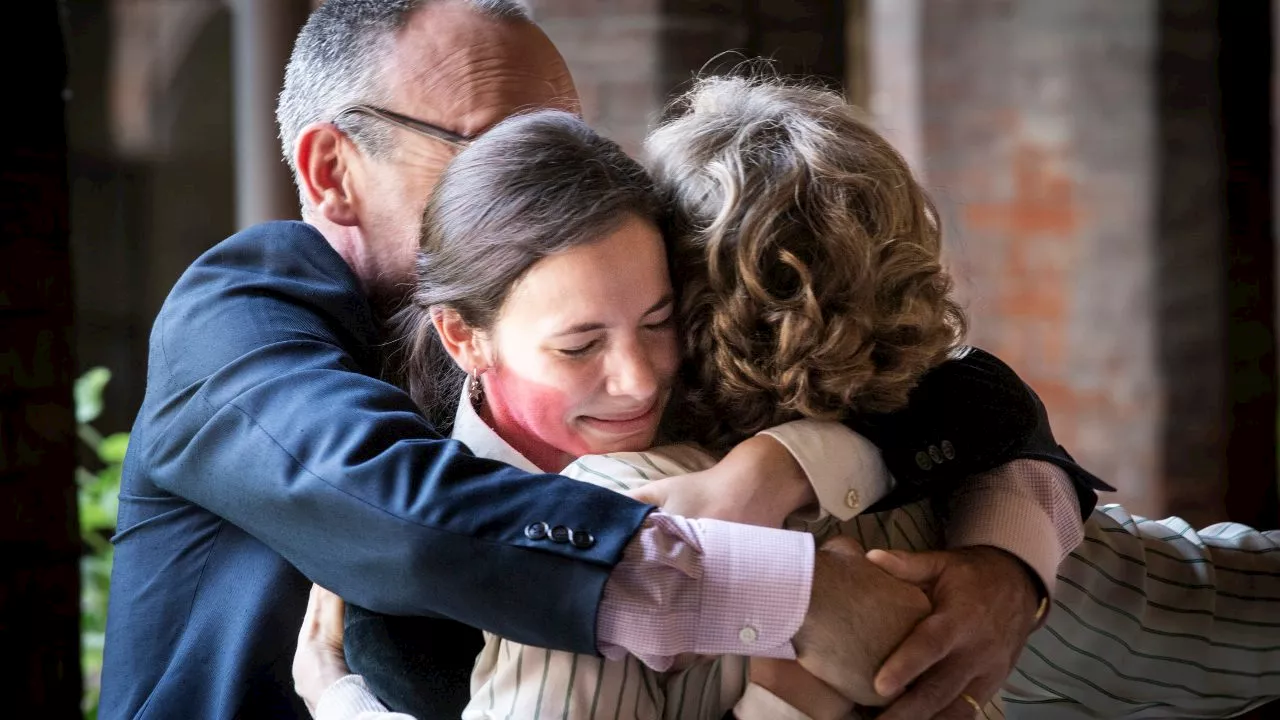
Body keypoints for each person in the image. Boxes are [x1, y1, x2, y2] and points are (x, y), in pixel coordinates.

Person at [99, 3, 1102, 719]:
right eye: (497, 142)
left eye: (564, 138)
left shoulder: (574, 300)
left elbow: (953, 385)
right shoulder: (235, 317)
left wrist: (1001, 559)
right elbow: (406, 522)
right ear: (332, 171)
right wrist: (790, 593)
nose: (539, 183)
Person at [298, 76, 1280, 720]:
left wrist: (337, 702)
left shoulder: (626, 505)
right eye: (580, 342)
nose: (635, 377)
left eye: (655, 320)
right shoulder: (439, 497)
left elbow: (970, 394)